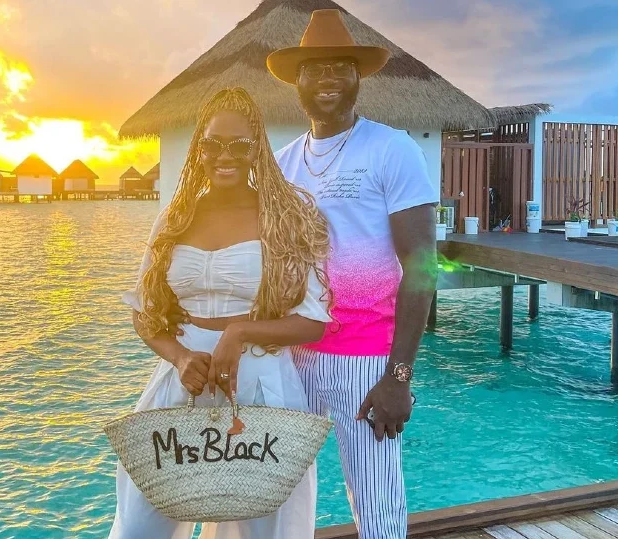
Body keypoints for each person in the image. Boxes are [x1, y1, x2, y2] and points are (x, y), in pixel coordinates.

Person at [110, 87, 333, 539]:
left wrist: (238, 332)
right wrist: (179, 357)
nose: (224, 155)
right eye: (212, 143)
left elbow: (314, 321)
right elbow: (145, 311)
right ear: (199, 148)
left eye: (238, 144)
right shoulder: (175, 215)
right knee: (140, 524)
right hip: (182, 382)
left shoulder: (287, 216)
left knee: (264, 528)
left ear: (256, 150)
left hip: (261, 386)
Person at [265, 9, 440, 539]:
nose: (328, 80)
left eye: (341, 68)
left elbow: (422, 265)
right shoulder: (282, 162)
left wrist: (399, 377)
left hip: (365, 358)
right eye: (315, 69)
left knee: (377, 503)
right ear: (297, 80)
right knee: (280, 494)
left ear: (358, 79)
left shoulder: (391, 149)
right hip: (292, 354)